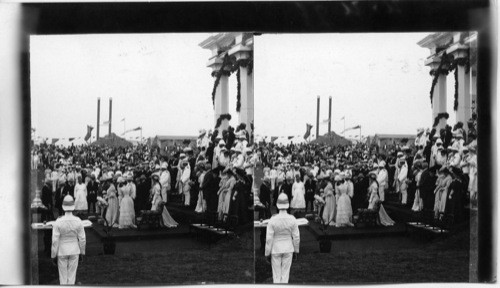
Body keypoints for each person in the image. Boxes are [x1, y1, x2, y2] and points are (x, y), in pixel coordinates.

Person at [265, 193, 300, 284]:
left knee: (276, 276)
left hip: (276, 249)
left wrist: (267, 253)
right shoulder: (292, 219)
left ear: (278, 205)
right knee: (285, 276)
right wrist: (296, 250)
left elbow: (269, 239)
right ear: (287, 205)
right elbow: (296, 237)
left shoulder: (272, 219)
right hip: (288, 249)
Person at [51, 195, 86, 285]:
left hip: (62, 251)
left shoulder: (58, 221)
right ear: (73, 207)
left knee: (62, 278)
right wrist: (82, 252)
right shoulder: (78, 221)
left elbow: (55, 240)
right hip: (74, 250)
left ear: (63, 207)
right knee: (72, 277)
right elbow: (82, 239)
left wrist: (53, 254)